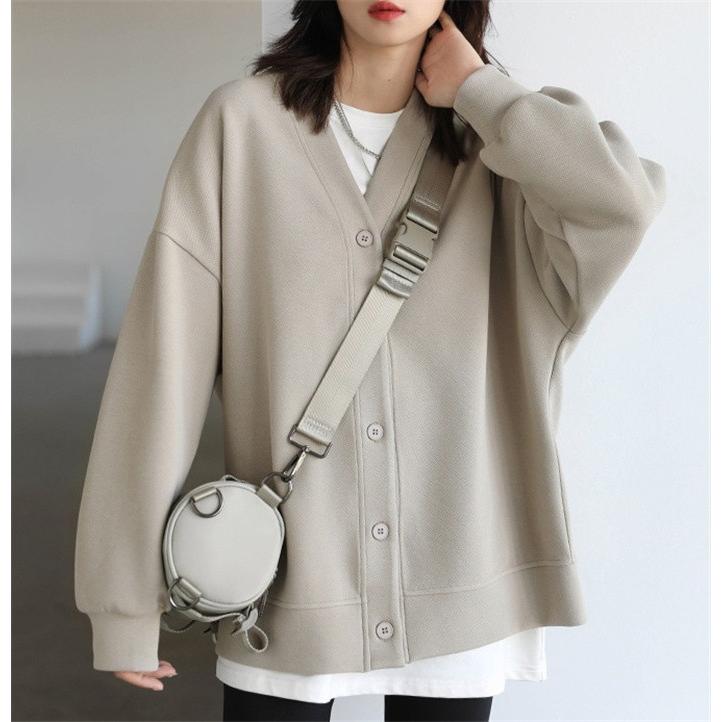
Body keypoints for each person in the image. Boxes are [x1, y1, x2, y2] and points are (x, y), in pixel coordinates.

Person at [73, 1, 666, 721]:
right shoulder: (242, 126)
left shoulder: (504, 142)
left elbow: (621, 206)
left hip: (463, 585)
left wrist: (481, 93)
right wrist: (124, 601)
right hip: (285, 589)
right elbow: (160, 367)